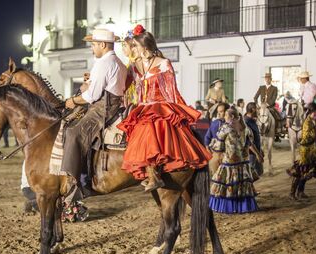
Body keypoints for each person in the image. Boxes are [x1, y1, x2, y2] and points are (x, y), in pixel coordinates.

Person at [117, 25, 211, 191]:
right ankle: (149, 172)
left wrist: (177, 111)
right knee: (136, 128)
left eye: (135, 46)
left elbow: (171, 91)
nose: (133, 49)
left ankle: (154, 174)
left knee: (149, 127)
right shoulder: (133, 67)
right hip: (143, 106)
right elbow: (122, 85)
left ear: (144, 48)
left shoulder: (163, 64)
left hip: (160, 105)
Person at [61, 28, 127, 188]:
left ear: (103, 44)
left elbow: (92, 96)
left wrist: (73, 101)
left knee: (72, 133)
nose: (92, 48)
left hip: (101, 110)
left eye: (94, 45)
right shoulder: (119, 62)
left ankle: (72, 181)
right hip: (113, 106)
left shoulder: (103, 63)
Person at [209, 108, 262, 214]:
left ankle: (229, 207)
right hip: (243, 163)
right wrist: (258, 154)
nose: (224, 118)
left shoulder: (225, 128)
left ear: (232, 117)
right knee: (242, 184)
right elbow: (250, 144)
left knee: (229, 184)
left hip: (230, 162)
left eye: (225, 116)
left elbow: (218, 147)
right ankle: (243, 207)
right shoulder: (245, 127)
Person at [287, 100, 316, 200]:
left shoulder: (313, 120)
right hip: (307, 152)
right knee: (301, 172)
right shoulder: (308, 123)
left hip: (312, 150)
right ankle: (293, 194)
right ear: (312, 111)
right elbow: (306, 139)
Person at [254, 73, 282, 141]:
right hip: (262, 107)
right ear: (265, 79)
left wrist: (268, 104)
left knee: (277, 115)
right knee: (255, 116)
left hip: (270, 107)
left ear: (271, 79)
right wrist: (257, 104)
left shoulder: (274, 88)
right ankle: (255, 130)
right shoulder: (261, 87)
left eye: (269, 78)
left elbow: (274, 98)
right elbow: (255, 97)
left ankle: (277, 131)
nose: (267, 79)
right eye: (266, 78)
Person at [205, 102, 230, 174]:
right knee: (215, 180)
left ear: (227, 112)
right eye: (218, 112)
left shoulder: (232, 124)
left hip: (228, 157)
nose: (218, 114)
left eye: (221, 111)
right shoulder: (214, 123)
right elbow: (207, 137)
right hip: (215, 156)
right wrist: (209, 151)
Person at [244, 102, 263, 176]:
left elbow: (256, 138)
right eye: (257, 109)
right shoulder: (246, 122)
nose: (258, 111)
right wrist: (257, 154)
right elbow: (249, 142)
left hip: (256, 152)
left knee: (258, 173)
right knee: (250, 175)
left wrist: (260, 149)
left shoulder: (252, 121)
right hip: (251, 154)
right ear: (253, 109)